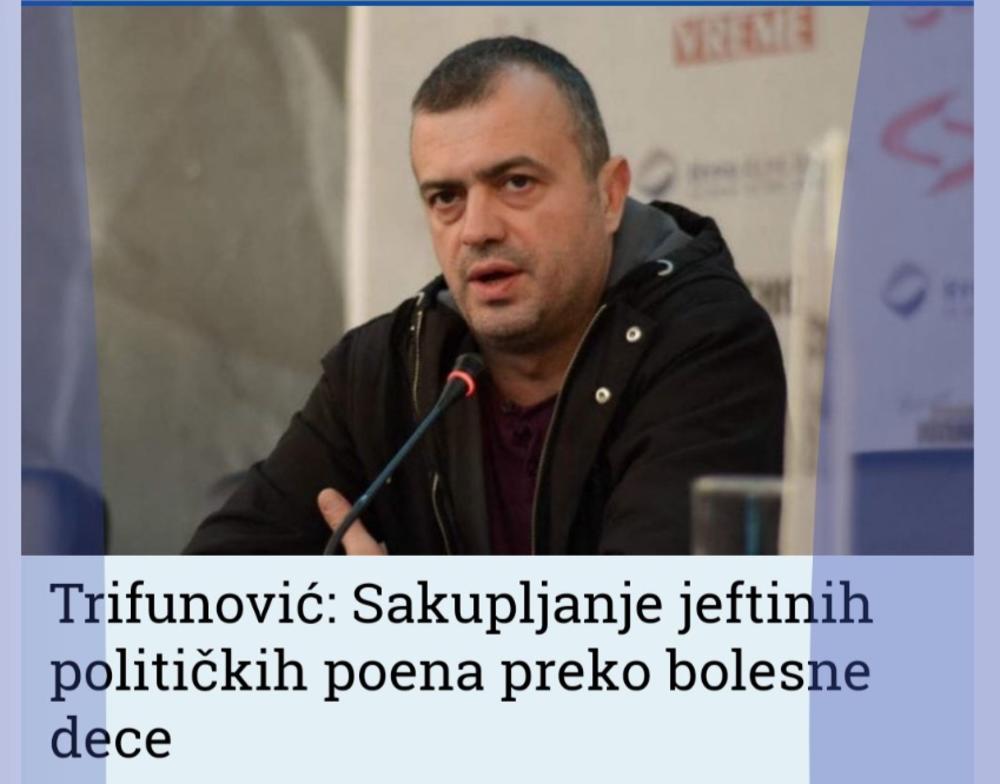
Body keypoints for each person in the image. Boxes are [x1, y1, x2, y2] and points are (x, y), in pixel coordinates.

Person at [184, 36, 785, 556]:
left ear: (609, 195)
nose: (476, 229)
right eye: (446, 198)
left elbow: (651, 634)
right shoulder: (388, 369)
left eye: (516, 183)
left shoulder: (707, 344)